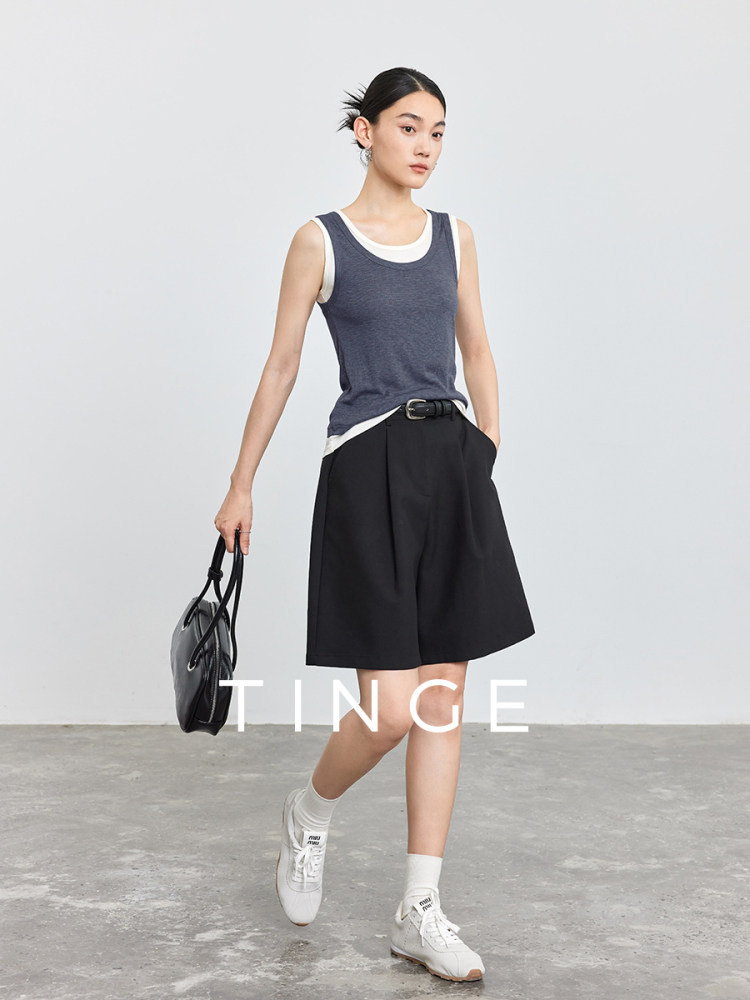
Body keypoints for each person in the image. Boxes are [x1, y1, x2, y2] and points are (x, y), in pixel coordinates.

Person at [214, 66, 535, 983]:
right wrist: (240, 485)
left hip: (450, 466)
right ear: (364, 130)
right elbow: (281, 368)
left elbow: (478, 349)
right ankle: (309, 812)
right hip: (367, 466)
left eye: (438, 131)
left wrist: (485, 447)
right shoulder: (319, 240)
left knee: (443, 698)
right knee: (391, 708)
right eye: (408, 126)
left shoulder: (455, 236)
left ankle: (418, 910)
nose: (425, 146)